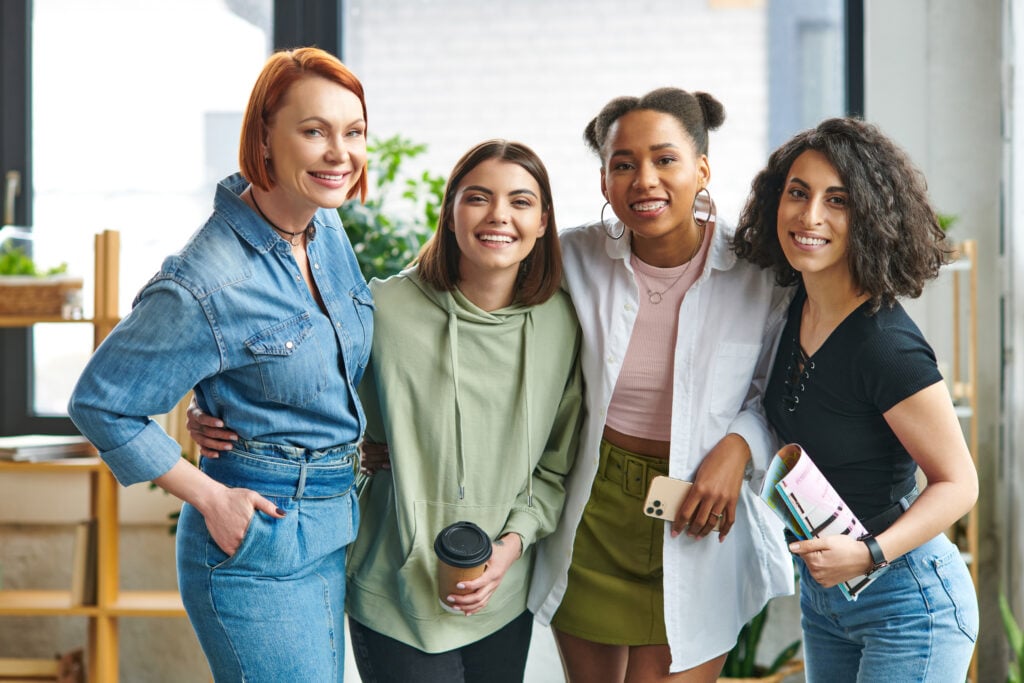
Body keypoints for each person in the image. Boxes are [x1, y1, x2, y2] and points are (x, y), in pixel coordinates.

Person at [190, 139, 584, 683]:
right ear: (449, 214)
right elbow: (288, 366)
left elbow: (554, 469)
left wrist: (510, 548)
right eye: (478, 198)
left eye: (520, 201)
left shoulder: (562, 324)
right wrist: (210, 404)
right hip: (393, 591)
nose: (499, 216)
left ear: (543, 222)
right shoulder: (385, 307)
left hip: (502, 592)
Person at [67, 47, 372, 682]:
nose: (340, 153)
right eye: (314, 130)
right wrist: (210, 497)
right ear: (265, 134)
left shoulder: (324, 228)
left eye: (353, 131)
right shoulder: (207, 277)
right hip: (257, 536)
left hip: (333, 520)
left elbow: (293, 361)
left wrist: (202, 398)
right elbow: (101, 401)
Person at [527, 88, 794, 682]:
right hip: (595, 513)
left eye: (665, 159)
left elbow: (783, 390)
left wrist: (740, 445)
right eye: (623, 164)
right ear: (603, 180)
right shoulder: (571, 257)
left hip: (697, 511)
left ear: (702, 168)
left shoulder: (761, 274)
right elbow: (466, 286)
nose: (644, 179)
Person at [732, 117, 979, 681]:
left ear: (868, 217)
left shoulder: (885, 346)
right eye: (798, 192)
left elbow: (960, 483)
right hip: (828, 597)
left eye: (836, 200)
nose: (809, 215)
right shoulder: (794, 304)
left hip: (907, 600)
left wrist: (869, 553)